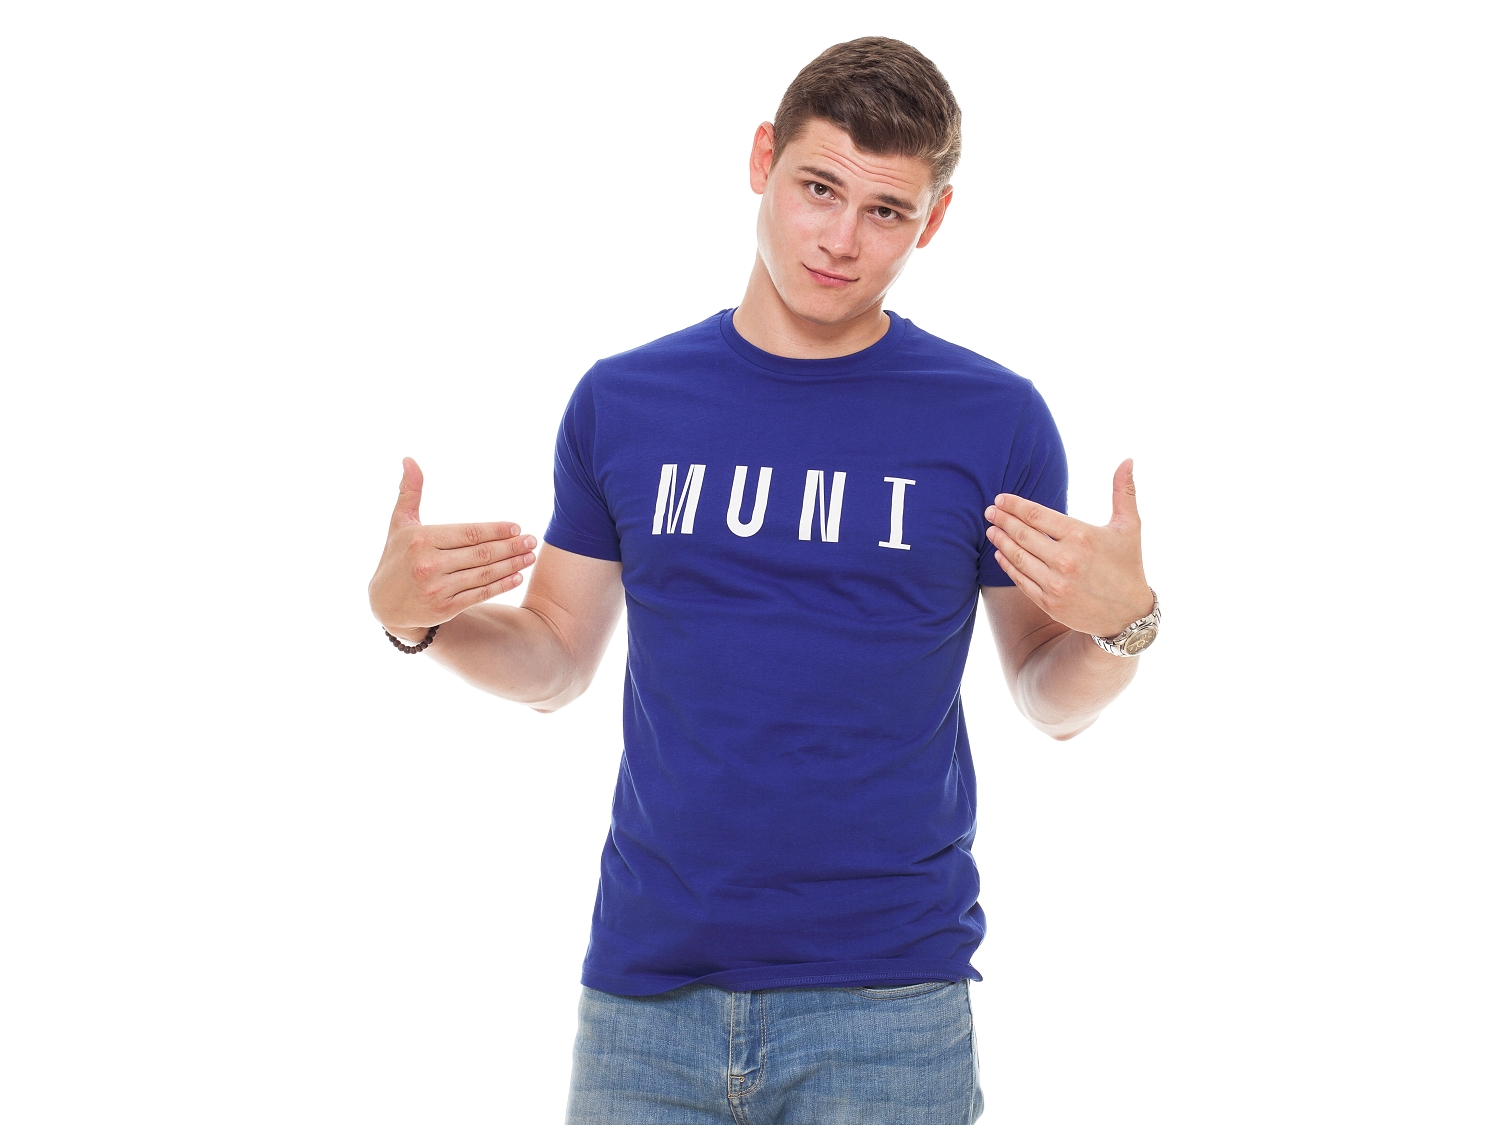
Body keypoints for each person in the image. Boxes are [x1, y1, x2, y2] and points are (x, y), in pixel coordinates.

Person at [368, 36, 1158, 1125]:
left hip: (888, 1002)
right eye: (818, 188)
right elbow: (554, 660)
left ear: (932, 221)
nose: (841, 239)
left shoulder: (993, 418)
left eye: (886, 210)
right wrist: (418, 624)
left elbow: (1044, 692)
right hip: (646, 1000)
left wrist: (1124, 629)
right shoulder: (624, 402)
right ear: (761, 161)